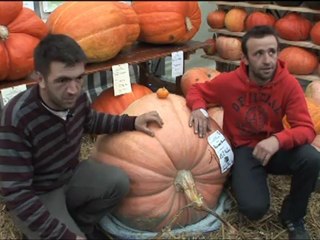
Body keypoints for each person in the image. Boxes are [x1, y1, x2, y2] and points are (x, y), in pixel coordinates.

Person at [0, 33, 164, 240]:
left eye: (79, 78)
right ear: (40, 78)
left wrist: (131, 122)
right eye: (62, 80)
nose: (73, 89)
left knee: (118, 182)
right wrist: (64, 235)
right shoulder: (16, 118)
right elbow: (17, 193)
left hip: (70, 176)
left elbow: (92, 121)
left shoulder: (76, 98)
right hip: (39, 194)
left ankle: (82, 225)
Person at [186, 25, 320, 240]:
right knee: (254, 210)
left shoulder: (288, 84)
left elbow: (306, 129)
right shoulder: (229, 82)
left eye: (272, 52)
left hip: (275, 148)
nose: (267, 60)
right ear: (245, 58)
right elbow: (196, 90)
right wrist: (199, 108)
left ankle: (294, 216)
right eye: (258, 53)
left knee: (311, 158)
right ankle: (251, 180)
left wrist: (278, 139)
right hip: (244, 150)